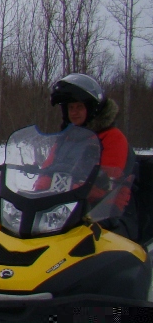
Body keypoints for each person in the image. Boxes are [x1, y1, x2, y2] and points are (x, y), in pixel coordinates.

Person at [49, 72, 137, 238]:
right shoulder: (64, 139)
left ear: (91, 108)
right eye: (71, 107)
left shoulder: (112, 138)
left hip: (106, 212)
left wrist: (66, 187)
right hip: (67, 208)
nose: (74, 112)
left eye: (79, 107)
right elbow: (46, 170)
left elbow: (107, 182)